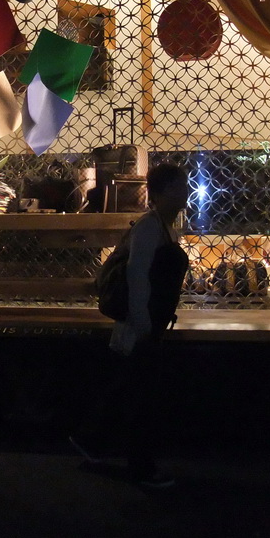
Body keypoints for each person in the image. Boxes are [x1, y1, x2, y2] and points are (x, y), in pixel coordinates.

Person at [70, 163, 191, 489]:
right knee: (141, 399)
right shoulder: (150, 228)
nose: (186, 192)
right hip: (141, 325)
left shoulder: (165, 227)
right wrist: (142, 322)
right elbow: (138, 276)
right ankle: (142, 467)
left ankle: (90, 443)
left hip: (147, 323)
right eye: (180, 186)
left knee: (126, 390)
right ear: (163, 191)